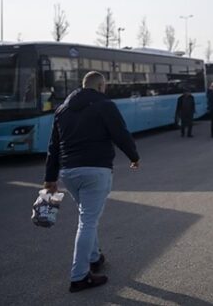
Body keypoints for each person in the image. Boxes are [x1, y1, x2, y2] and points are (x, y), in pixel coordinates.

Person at [43, 71, 140, 293]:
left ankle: (95, 257)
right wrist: (134, 157)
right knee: (87, 221)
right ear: (101, 86)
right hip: (96, 170)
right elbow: (120, 133)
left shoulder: (62, 110)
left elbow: (53, 147)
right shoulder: (105, 105)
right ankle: (79, 276)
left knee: (86, 215)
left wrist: (50, 178)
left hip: (69, 172)